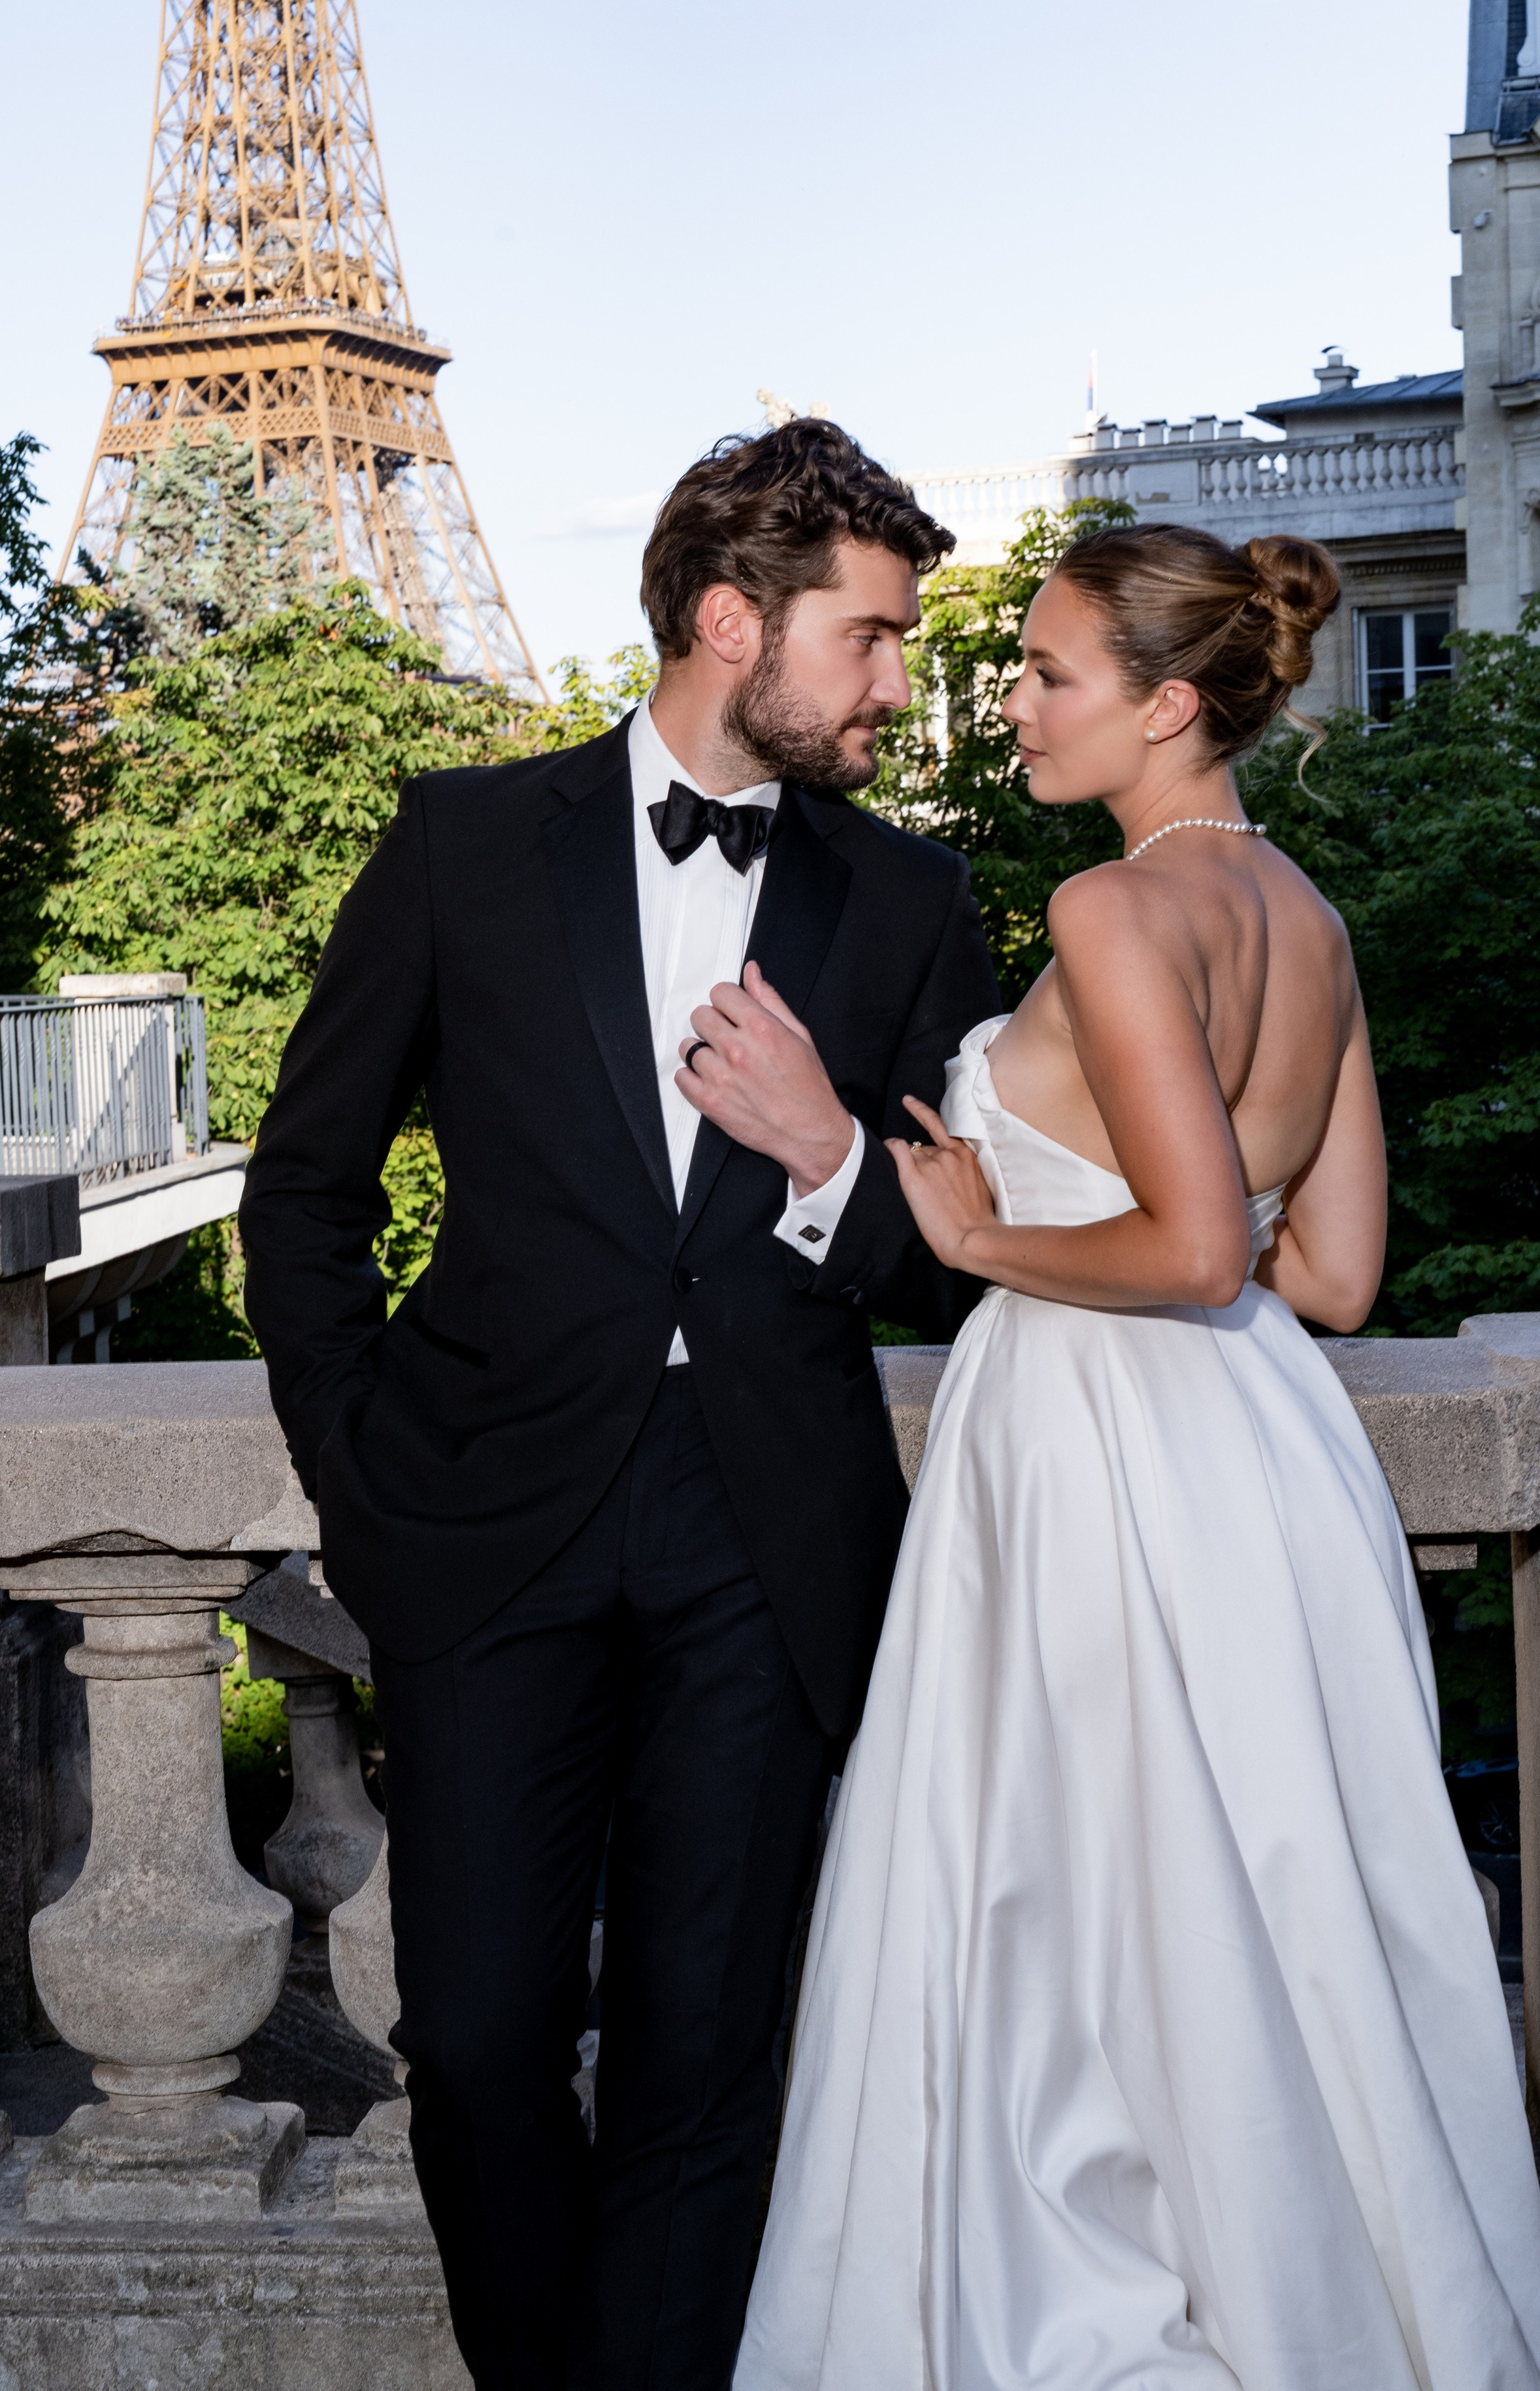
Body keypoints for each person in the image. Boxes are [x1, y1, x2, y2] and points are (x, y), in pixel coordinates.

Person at [733, 523, 1540, 2391]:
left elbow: (1188, 1251)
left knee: (1078, 1908)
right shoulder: (1310, 918)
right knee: (1261, 1905)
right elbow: (1329, 1275)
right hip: (1262, 1452)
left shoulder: (1115, 914)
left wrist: (966, 1235)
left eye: (1048, 675)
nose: (1011, 704)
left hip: (1099, 1444)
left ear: (1169, 703)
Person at [237, 418, 1001, 2391]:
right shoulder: (466, 842)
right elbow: (304, 1190)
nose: (901, 683)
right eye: (874, 639)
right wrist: (360, 1474)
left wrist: (831, 1155)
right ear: (731, 621)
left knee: (703, 2052)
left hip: (769, 1536)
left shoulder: (910, 905)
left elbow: (959, 1259)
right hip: (488, 1526)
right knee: (477, 2034)